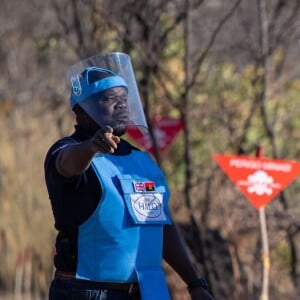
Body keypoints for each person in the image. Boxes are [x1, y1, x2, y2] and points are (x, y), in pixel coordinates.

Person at [44, 52, 214, 300]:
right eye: (110, 98)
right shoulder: (67, 151)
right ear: (81, 109)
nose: (121, 105)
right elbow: (67, 164)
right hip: (87, 291)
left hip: (147, 291)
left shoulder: (141, 161)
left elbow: (161, 227)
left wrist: (195, 283)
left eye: (124, 98)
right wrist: (92, 146)